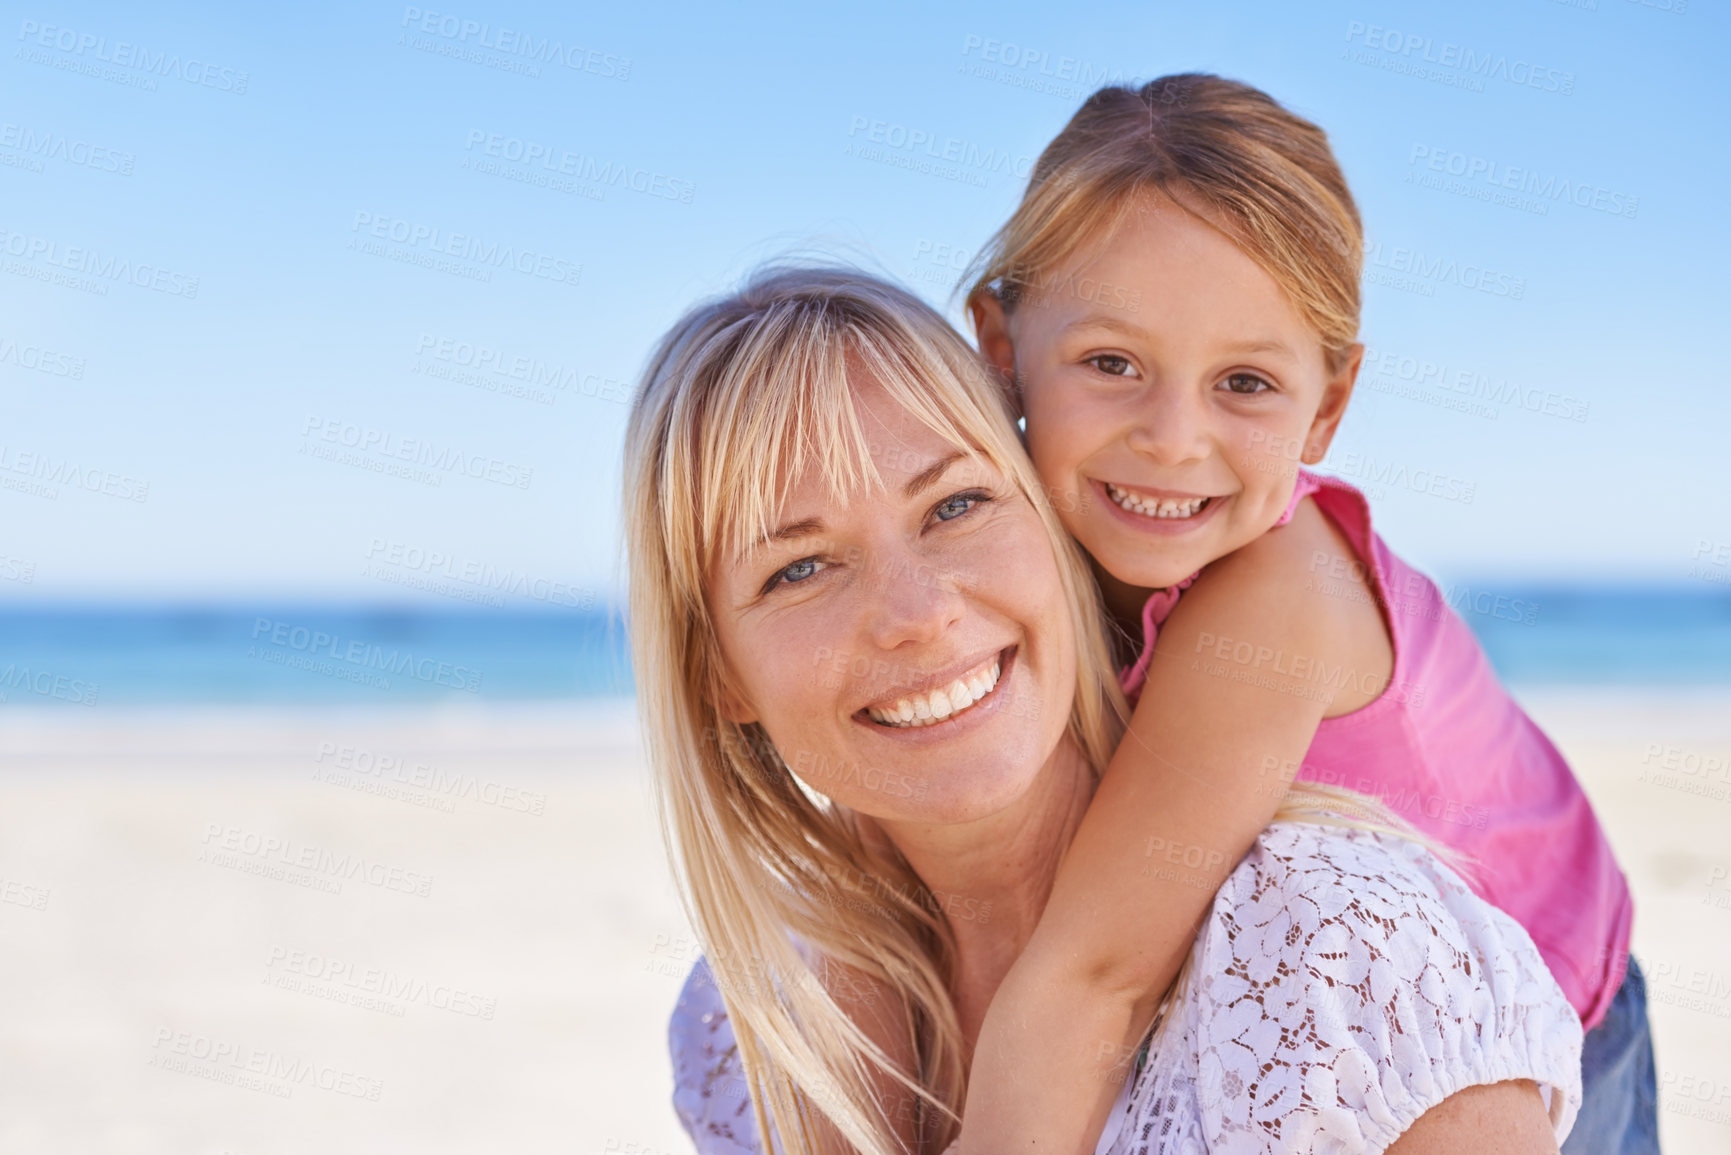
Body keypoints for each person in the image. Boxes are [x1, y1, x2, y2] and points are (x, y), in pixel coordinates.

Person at [626, 266, 1583, 1153]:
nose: (916, 615)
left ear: (1052, 522)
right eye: (798, 567)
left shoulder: (1340, 955)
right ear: (719, 675)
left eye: (955, 506)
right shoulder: (737, 1027)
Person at [953, 74, 1655, 1155]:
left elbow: (1095, 974)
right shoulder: (1022, 541)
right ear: (1002, 349)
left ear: (1328, 403)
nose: (1173, 438)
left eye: (1244, 384)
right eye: (1110, 364)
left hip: (1536, 1017)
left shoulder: (1280, 600)